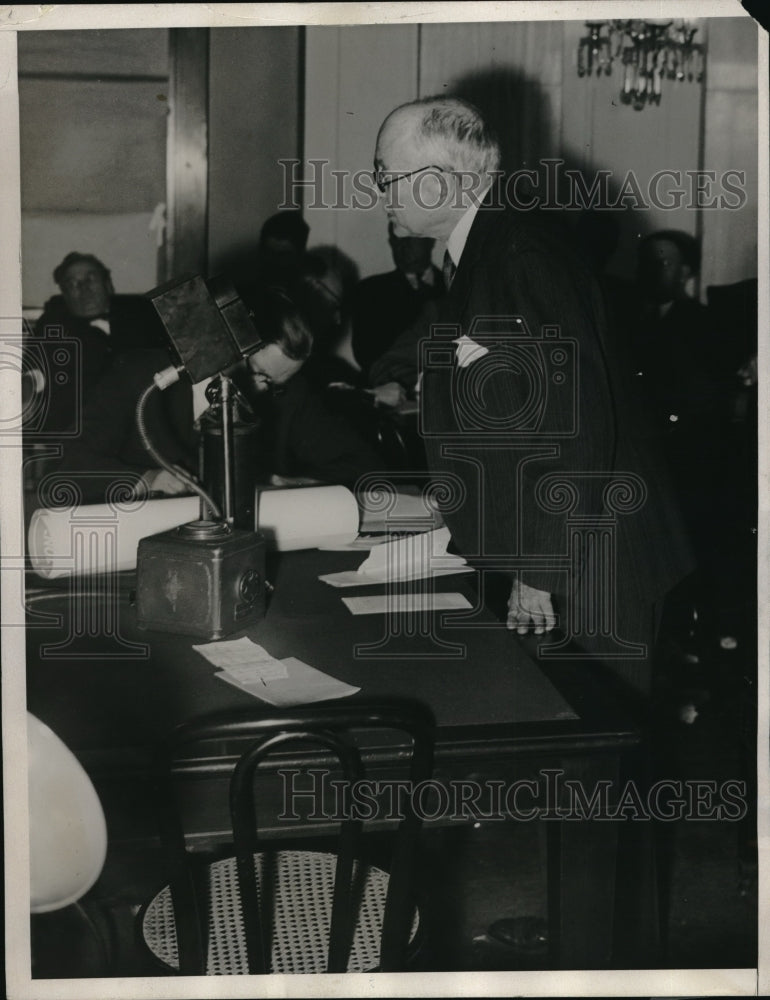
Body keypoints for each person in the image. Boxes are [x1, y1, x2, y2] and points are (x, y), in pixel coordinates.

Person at [373, 96, 693, 701]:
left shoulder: (520, 254)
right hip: (569, 542)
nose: (379, 189)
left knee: (596, 749)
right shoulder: (484, 251)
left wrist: (538, 572)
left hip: (593, 557)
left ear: (442, 183)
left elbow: (575, 422)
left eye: (386, 174)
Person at [52, 287, 384, 504]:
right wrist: (147, 479)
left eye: (277, 382)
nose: (265, 390)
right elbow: (69, 470)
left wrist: (296, 483)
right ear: (224, 347)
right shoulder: (138, 375)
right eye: (258, 374)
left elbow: (364, 465)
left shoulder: (287, 389)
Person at [29, 252, 167, 434]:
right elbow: (34, 374)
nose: (84, 288)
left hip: (143, 424)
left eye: (91, 278)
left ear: (107, 283)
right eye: (72, 283)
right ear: (64, 293)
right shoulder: (52, 323)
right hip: (81, 430)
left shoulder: (141, 314)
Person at [351, 222, 445, 381]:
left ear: (431, 240)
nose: (403, 245)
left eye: (410, 237)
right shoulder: (369, 291)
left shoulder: (459, 287)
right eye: (396, 238)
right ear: (390, 243)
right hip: (392, 389)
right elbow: (366, 353)